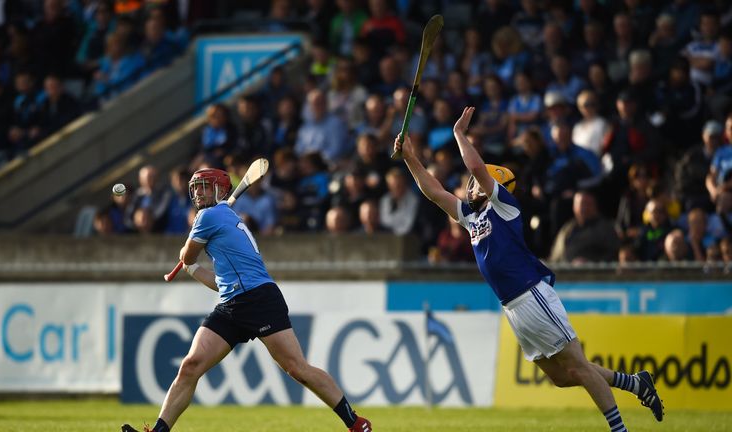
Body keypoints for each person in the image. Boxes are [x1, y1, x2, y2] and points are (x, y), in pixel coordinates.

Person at [393, 106, 663, 432]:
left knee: (579, 366)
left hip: (531, 295)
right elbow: (434, 192)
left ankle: (620, 429)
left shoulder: (504, 207)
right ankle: (635, 384)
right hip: (513, 308)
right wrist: (410, 157)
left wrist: (459, 135)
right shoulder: (471, 217)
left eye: (478, 183)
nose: (471, 186)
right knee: (564, 377)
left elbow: (477, 167)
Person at [121, 168, 372, 432]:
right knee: (190, 365)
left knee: (297, 368)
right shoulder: (222, 215)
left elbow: (188, 253)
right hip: (231, 304)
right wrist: (192, 269)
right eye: (195, 188)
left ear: (220, 191)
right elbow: (220, 284)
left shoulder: (210, 215)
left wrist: (187, 260)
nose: (197, 192)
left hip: (259, 298)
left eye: (204, 187)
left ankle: (356, 423)